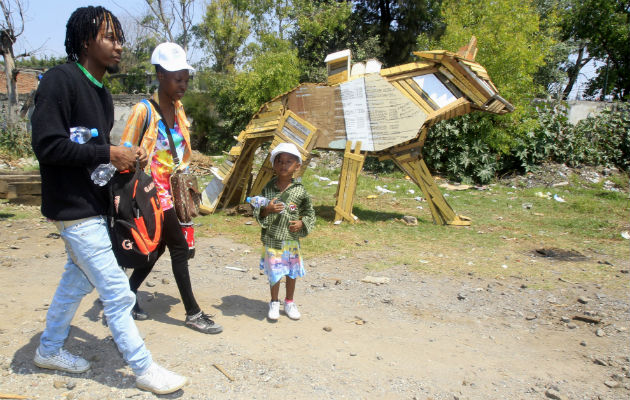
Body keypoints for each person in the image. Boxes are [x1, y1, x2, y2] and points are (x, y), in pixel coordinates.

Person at [30, 6, 186, 395]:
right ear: (86, 41)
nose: (119, 46)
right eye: (110, 38)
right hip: (72, 208)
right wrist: (108, 153)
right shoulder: (59, 80)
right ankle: (144, 369)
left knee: (76, 282)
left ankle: (49, 349)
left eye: (120, 38)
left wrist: (126, 159)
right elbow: (47, 145)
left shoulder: (101, 92)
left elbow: (95, 152)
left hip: (96, 206)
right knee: (117, 291)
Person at [120, 42, 222, 335]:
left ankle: (126, 294)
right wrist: (136, 162)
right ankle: (193, 312)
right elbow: (126, 151)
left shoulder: (178, 110)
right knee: (178, 246)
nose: (183, 85)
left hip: (175, 192)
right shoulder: (143, 111)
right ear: (161, 75)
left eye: (186, 79)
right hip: (152, 193)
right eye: (178, 78)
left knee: (158, 247)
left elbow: (182, 153)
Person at [253, 143, 316, 320]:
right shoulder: (268, 188)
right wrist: (268, 210)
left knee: (291, 272)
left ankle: (289, 302)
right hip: (273, 239)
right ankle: (274, 302)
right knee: (274, 272)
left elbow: (310, 213)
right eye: (279, 161)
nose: (283, 165)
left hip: (290, 240)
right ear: (273, 165)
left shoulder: (300, 191)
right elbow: (259, 211)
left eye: (289, 161)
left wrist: (302, 223)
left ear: (297, 166)